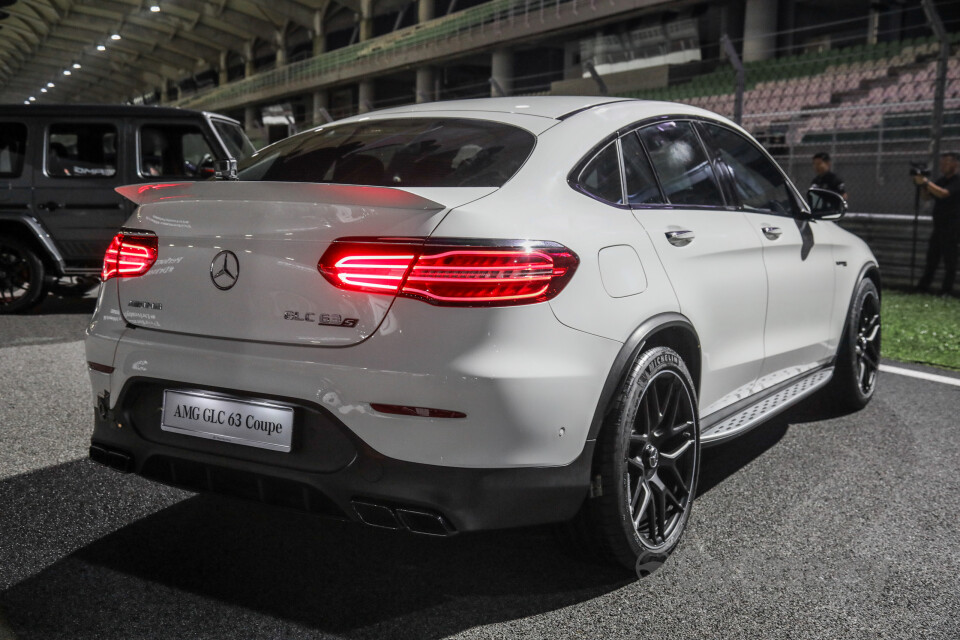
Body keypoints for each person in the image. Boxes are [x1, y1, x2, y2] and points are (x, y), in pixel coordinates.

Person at [914, 151, 960, 296]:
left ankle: (946, 291)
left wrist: (927, 182)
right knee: (932, 259)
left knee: (950, 261)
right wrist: (922, 185)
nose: (943, 165)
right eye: (942, 163)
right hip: (939, 227)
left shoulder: (957, 180)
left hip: (953, 227)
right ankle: (923, 287)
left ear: (955, 163)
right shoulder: (941, 180)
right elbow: (927, 197)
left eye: (947, 162)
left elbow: (944, 193)